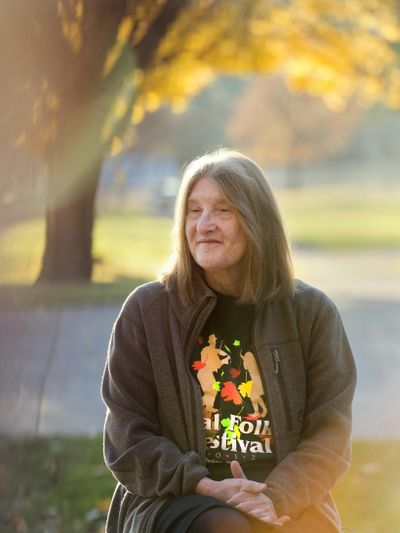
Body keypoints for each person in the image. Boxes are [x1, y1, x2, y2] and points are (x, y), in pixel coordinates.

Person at [101, 148, 356, 533]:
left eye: (223, 210)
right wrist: (206, 486)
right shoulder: (147, 311)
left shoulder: (311, 313)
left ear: (258, 222)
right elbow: (127, 437)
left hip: (287, 495)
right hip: (175, 497)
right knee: (225, 525)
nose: (204, 225)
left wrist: (272, 497)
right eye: (194, 210)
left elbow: (330, 436)